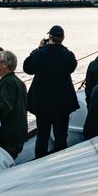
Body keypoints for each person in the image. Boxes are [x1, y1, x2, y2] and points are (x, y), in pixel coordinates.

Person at [22, 25, 79, 158]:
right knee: (61, 135)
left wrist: (38, 49)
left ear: (50, 37)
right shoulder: (68, 55)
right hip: (63, 103)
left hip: (42, 103)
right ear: (63, 38)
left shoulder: (40, 54)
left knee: (42, 135)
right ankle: (60, 160)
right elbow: (72, 68)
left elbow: (28, 68)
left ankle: (39, 161)